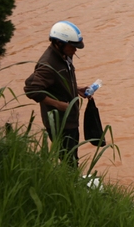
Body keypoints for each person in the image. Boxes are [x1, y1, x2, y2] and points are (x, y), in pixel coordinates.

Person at [24, 21, 89, 166]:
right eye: (72, 46)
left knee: (72, 157)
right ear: (58, 43)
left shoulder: (64, 56)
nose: (75, 50)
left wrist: (76, 89)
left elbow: (57, 82)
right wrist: (58, 105)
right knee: (69, 161)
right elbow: (31, 89)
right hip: (60, 123)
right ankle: (70, 186)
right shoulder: (48, 64)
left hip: (70, 119)